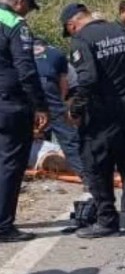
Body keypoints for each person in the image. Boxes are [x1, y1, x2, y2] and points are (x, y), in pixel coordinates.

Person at [61, 3, 125, 240]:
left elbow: (88, 79)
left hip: (102, 114)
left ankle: (107, 220)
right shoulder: (122, 31)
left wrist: (76, 110)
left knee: (97, 165)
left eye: (69, 30)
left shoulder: (81, 39)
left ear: (72, 25)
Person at [0, 0, 49, 242]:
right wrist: (39, 105)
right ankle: (3, 226)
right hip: (10, 104)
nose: (27, 12)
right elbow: (26, 69)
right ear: (20, 1)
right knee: (10, 164)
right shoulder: (16, 26)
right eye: (28, 6)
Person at [32, 38, 83, 179]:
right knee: (67, 135)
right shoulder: (57, 54)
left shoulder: (21, 50)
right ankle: (85, 174)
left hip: (25, 85)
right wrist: (59, 108)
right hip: (48, 84)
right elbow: (63, 85)